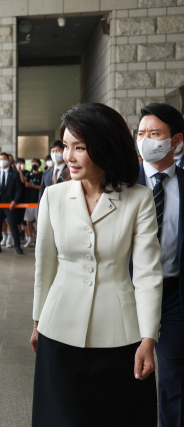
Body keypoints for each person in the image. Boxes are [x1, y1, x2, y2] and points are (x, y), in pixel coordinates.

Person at [30, 103, 162, 426]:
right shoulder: (53, 196)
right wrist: (37, 321)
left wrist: (148, 339)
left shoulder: (138, 199)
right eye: (66, 146)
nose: (68, 157)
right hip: (58, 330)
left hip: (121, 336)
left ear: (105, 146)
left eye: (80, 147)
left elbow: (147, 275)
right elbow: (44, 266)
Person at [135, 102, 184, 426]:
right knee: (130, 374)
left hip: (174, 295)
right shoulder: (123, 184)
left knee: (173, 379)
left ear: (176, 140)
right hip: (130, 293)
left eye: (154, 133)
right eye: (141, 133)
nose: (145, 140)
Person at [22, 158, 43, 247]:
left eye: (35, 163)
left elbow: (42, 187)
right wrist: (19, 170)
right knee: (28, 221)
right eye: (32, 163)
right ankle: (30, 239)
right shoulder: (29, 174)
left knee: (40, 221)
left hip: (39, 201)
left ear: (39, 165)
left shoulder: (42, 174)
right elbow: (23, 180)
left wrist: (32, 186)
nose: (34, 165)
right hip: (29, 201)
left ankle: (39, 240)